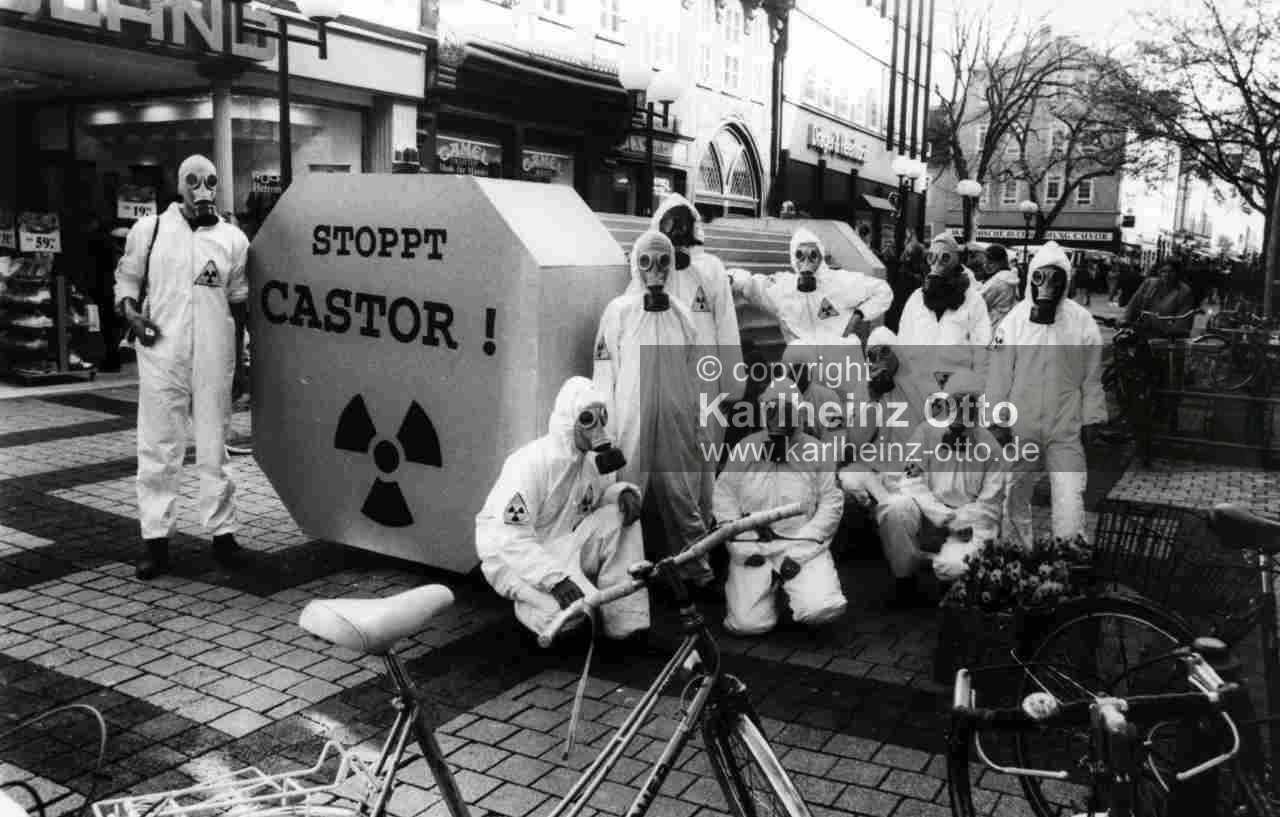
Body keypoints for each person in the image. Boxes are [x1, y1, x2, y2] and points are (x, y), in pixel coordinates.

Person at [114, 154, 248, 580]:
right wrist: (131, 313)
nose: (201, 190)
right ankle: (156, 542)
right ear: (179, 186)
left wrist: (242, 361)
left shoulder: (232, 239)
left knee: (214, 446)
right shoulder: (149, 230)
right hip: (161, 354)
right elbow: (127, 278)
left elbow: (239, 303)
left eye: (210, 181)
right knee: (158, 447)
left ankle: (223, 535)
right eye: (193, 181)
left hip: (215, 355)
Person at [475, 377, 649, 642]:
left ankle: (625, 624)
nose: (597, 427)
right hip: (515, 558)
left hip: (563, 544)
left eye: (601, 416)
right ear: (569, 420)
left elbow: (596, 504)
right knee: (565, 617)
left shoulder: (589, 463)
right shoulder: (529, 463)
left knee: (621, 517)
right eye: (587, 418)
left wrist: (621, 493)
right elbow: (509, 537)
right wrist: (554, 579)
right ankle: (531, 604)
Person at [594, 230, 716, 588]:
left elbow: (694, 374)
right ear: (636, 265)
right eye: (646, 262)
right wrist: (604, 435)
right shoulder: (619, 312)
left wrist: (697, 423)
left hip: (677, 422)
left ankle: (696, 571)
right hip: (631, 422)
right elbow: (604, 374)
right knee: (627, 495)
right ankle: (621, 585)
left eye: (663, 262)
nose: (655, 271)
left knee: (682, 495)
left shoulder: (682, 315)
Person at [987, 242, 1107, 548]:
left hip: (1065, 426)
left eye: (1055, 278)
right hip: (1021, 425)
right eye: (1040, 277)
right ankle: (1016, 553)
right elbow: (999, 375)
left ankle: (1067, 555)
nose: (1047, 286)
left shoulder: (1081, 323)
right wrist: (997, 420)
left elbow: (1092, 379)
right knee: (1014, 494)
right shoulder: (1014, 321)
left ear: (1066, 281)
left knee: (1069, 496)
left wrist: (1092, 419)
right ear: (1031, 278)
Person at [714, 377, 847, 635]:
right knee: (747, 625)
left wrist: (799, 552)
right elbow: (724, 497)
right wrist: (745, 545)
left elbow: (831, 505)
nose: (779, 419)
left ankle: (793, 588)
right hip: (754, 544)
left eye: (786, 411)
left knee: (821, 608)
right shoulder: (747, 448)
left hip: (800, 542)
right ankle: (767, 591)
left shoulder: (817, 452)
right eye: (773, 410)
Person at [872, 369, 1008, 607]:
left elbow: (990, 505)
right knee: (894, 508)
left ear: (978, 409)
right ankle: (905, 578)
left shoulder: (992, 448)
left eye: (969, 406)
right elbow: (911, 481)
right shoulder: (925, 433)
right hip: (930, 514)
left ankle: (948, 579)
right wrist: (942, 517)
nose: (961, 413)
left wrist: (960, 521)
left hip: (968, 524)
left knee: (952, 566)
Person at [727, 227, 893, 403]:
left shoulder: (841, 282)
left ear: (821, 257)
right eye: (800, 255)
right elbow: (751, 284)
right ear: (793, 258)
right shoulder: (783, 288)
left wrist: (858, 315)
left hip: (842, 365)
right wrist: (730, 278)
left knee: (851, 409)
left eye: (813, 255)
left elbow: (883, 291)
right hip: (805, 372)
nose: (806, 262)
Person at [644, 193, 744, 416]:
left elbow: (726, 328)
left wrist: (732, 388)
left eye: (683, 224)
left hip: (705, 373)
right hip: (665, 372)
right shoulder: (652, 270)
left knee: (706, 431)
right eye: (670, 225)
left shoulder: (711, 268)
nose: (678, 231)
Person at [894, 232, 992, 441]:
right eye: (932, 257)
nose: (937, 264)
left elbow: (982, 352)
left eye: (945, 257)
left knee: (949, 452)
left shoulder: (973, 301)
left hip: (957, 396)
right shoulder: (916, 299)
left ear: (956, 261)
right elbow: (903, 345)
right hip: (918, 392)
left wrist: (978, 396)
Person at [1123, 259, 1196, 336]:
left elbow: (1183, 317)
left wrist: (1173, 332)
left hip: (1166, 334)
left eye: (1171, 271)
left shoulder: (1184, 291)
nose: (1166, 274)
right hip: (1142, 328)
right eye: (1163, 271)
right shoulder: (1149, 283)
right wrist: (1126, 320)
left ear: (1177, 273)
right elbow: (1134, 303)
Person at [975, 243, 1021, 330]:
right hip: (1006, 324)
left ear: (1001, 262)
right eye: (985, 262)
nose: (985, 266)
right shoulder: (1009, 277)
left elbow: (978, 302)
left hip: (994, 325)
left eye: (990, 263)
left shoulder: (999, 280)